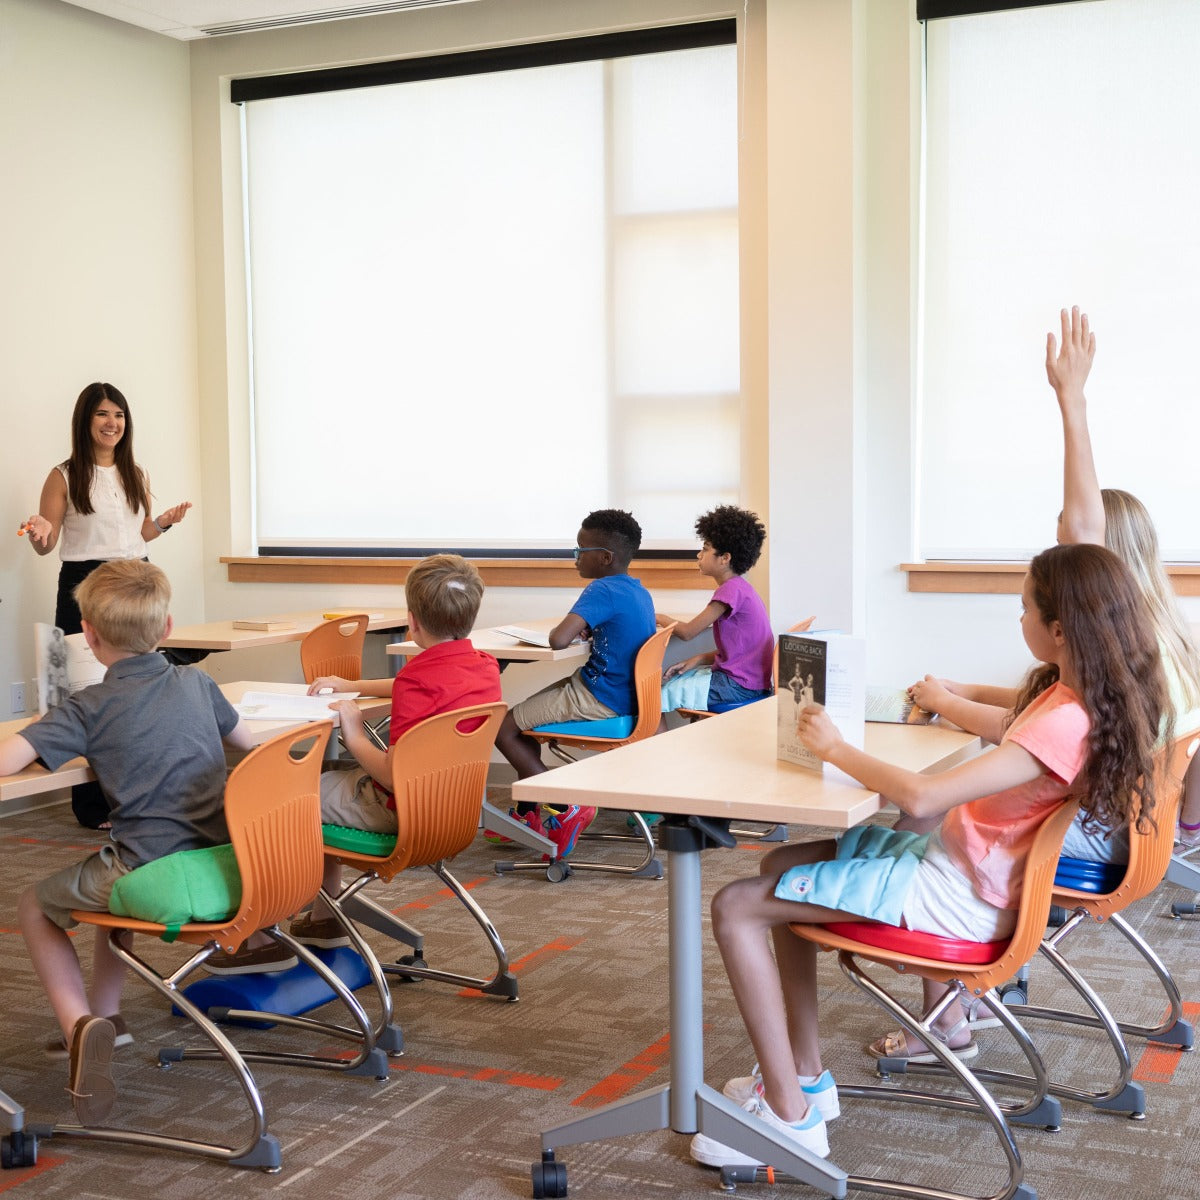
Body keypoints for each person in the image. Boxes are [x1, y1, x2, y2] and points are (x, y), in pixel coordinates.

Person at [688, 544, 1165, 1169]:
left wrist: (834, 746)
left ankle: (789, 1118)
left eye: (1024, 608)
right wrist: (946, 700)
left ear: (1058, 629)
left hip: (959, 898)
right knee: (782, 867)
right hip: (965, 873)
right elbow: (1004, 732)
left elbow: (919, 794)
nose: (1016, 619)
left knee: (735, 907)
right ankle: (805, 1077)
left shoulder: (1062, 721)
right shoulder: (1073, 699)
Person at [908, 307, 1200, 862]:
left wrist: (1072, 400)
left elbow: (1029, 735)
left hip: (1093, 832)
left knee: (932, 814)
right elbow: (1044, 712)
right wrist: (963, 693)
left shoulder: (1131, 647)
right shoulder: (1154, 634)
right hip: (1130, 824)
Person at [0, 560, 255, 1126]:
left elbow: (7, 760)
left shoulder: (88, 707)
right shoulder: (198, 682)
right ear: (167, 628)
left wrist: (41, 726)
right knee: (104, 886)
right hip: (226, 860)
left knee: (35, 905)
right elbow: (250, 746)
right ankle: (109, 1018)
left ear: (88, 636)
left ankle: (78, 1029)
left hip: (148, 868)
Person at [203, 554, 503, 972]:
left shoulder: (419, 679)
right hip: (450, 811)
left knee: (260, 796)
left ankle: (254, 938)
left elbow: (389, 774)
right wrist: (356, 686)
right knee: (325, 781)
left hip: (395, 810)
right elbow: (416, 683)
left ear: (412, 621)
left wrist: (354, 731)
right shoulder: (483, 665)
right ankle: (325, 919)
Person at [22, 382, 193, 829]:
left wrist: (163, 523)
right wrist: (41, 532)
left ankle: (140, 797)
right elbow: (49, 543)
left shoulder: (135, 471)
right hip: (85, 583)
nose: (111, 423)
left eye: (118, 414)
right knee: (85, 693)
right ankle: (93, 806)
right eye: (102, 414)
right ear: (85, 420)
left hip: (135, 578)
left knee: (140, 692)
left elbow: (135, 536)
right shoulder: (63, 475)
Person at [492, 508, 656, 858]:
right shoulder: (636, 590)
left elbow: (558, 640)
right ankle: (530, 815)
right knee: (521, 723)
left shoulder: (602, 589)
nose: (576, 558)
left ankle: (562, 804)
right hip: (626, 697)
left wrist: (571, 629)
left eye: (581, 551)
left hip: (598, 697)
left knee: (503, 728)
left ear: (606, 557)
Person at [658, 506, 773, 715]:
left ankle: (660, 745)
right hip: (752, 684)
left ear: (725, 557)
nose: (699, 555)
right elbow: (741, 653)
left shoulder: (730, 590)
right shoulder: (742, 588)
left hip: (739, 687)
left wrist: (657, 617)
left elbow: (687, 632)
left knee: (656, 695)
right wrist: (698, 659)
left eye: (706, 549)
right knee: (679, 682)